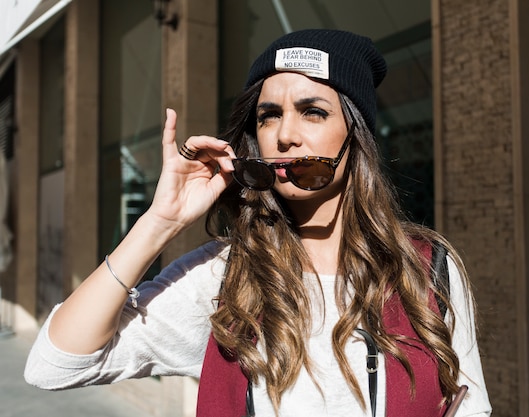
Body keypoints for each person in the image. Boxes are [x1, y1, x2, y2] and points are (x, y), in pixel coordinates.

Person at [24, 29, 492, 417]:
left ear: (357, 135)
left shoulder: (428, 269)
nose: (286, 135)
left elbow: (471, 408)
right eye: (269, 116)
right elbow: (53, 365)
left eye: (313, 111)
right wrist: (158, 222)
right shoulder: (223, 276)